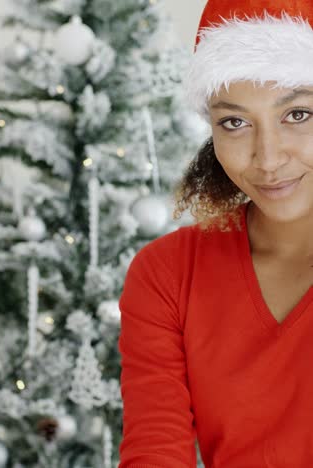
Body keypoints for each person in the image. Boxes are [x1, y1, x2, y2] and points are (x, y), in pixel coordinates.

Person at [118, 1, 313, 467]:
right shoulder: (168, 273)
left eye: (298, 114)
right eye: (235, 123)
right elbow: (155, 450)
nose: (267, 159)